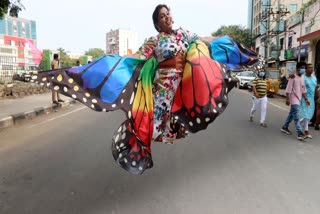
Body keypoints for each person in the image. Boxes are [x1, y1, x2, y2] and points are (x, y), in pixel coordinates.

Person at [15, 4, 263, 174]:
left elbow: (205, 41)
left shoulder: (184, 34)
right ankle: (135, 146)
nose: (167, 17)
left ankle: (171, 129)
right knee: (149, 123)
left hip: (183, 84)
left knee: (188, 110)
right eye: (162, 16)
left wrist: (227, 43)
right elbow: (137, 56)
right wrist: (119, 60)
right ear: (157, 23)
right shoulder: (154, 41)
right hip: (162, 86)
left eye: (169, 14)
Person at [281, 61, 310, 140]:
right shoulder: (293, 77)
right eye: (302, 68)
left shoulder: (302, 78)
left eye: (304, 68)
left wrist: (306, 99)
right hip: (294, 99)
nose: (303, 70)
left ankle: (284, 127)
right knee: (296, 117)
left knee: (291, 114)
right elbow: (288, 90)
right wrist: (287, 99)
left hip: (299, 99)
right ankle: (300, 133)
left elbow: (303, 90)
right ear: (297, 69)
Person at [299, 63, 318, 138]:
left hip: (311, 99)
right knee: (305, 114)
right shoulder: (302, 77)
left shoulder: (314, 77)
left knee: (309, 114)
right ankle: (305, 131)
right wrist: (305, 98)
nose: (312, 69)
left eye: (312, 68)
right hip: (303, 98)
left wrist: (318, 97)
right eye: (310, 67)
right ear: (306, 69)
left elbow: (316, 88)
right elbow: (301, 88)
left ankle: (299, 124)